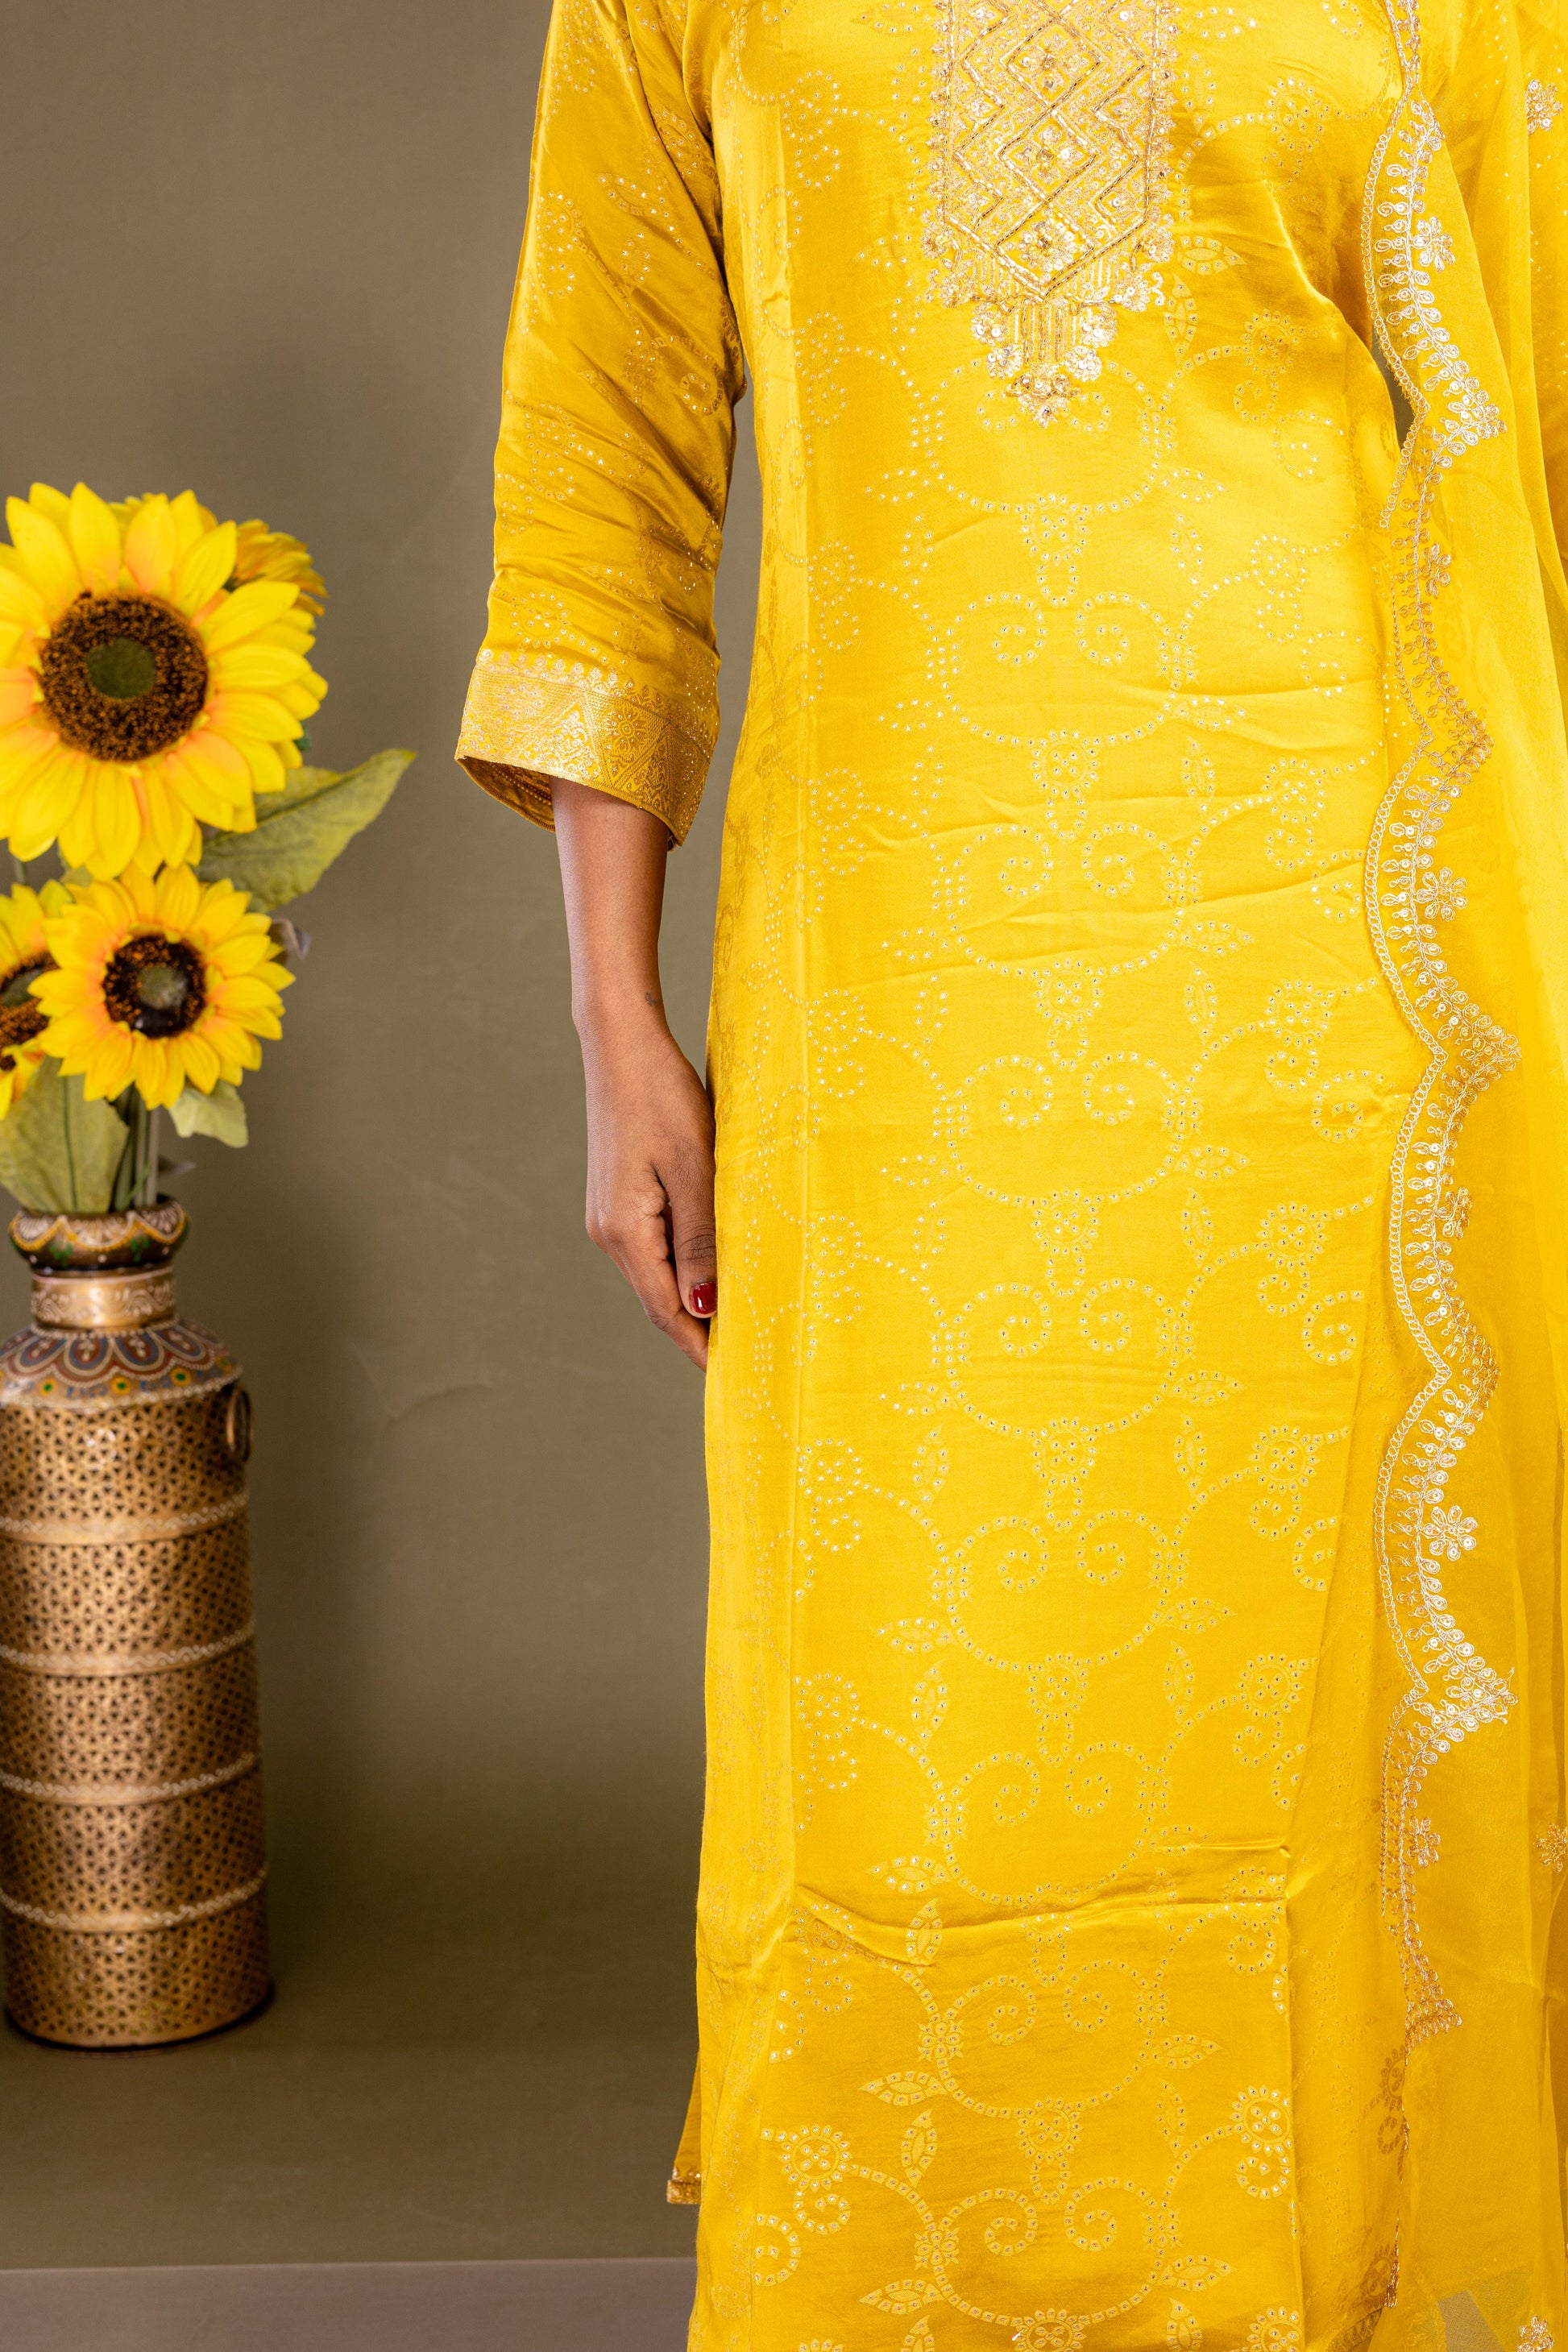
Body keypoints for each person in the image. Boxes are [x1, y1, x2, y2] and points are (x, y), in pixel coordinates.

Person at [457, 2, 1568, 2344]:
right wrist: (611, 1025)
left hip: (1315, 973)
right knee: (903, 1719)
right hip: (895, 984)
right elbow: (602, 467)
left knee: (1283, 1719)